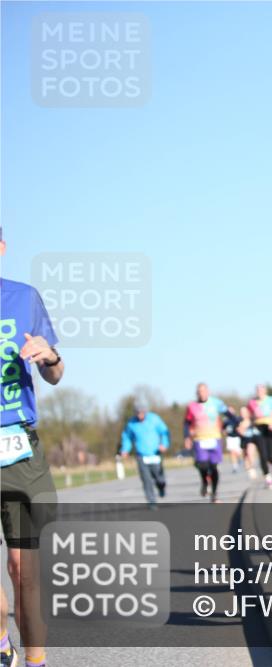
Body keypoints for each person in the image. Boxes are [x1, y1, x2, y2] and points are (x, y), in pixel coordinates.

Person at [0, 232, 63, 667]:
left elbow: (56, 375)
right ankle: (3, 644)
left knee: (24, 571)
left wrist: (49, 356)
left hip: (18, 448)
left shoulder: (24, 298)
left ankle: (36, 661)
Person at [119, 399, 170, 508]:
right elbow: (127, 438)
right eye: (138, 413)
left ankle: (161, 486)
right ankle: (151, 501)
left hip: (155, 453)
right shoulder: (131, 424)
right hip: (141, 455)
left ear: (145, 411)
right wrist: (125, 450)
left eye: (142, 412)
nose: (140, 415)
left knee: (159, 478)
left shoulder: (155, 419)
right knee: (146, 479)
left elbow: (164, 432)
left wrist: (164, 445)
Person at [183, 383, 228, 503]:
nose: (202, 393)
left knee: (213, 467)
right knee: (202, 465)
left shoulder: (216, 403)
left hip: (215, 438)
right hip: (200, 439)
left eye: (204, 391)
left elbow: (228, 414)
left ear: (208, 392)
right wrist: (187, 437)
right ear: (197, 393)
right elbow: (186, 423)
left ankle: (214, 494)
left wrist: (233, 425)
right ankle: (204, 481)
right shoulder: (192, 406)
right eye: (199, 391)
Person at [248, 384, 272, 489]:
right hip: (259, 429)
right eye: (258, 390)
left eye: (261, 390)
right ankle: (268, 478)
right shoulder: (252, 403)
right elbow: (247, 416)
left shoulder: (271, 400)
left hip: (270, 427)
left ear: (265, 391)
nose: (260, 392)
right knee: (263, 455)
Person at [237, 405, 260, 480]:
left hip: (251, 440)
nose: (242, 413)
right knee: (245, 456)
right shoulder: (239, 421)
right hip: (243, 440)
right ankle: (249, 469)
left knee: (250, 453)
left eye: (244, 412)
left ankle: (252, 468)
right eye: (241, 412)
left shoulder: (252, 420)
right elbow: (238, 431)